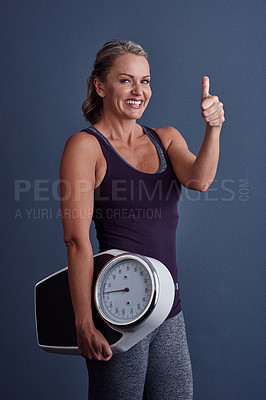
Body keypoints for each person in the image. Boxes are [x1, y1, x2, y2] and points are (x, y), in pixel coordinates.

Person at [59, 40, 225, 400]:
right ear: (100, 86)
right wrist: (84, 322)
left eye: (145, 81)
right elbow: (76, 240)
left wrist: (213, 128)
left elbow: (200, 179)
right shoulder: (85, 147)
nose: (139, 91)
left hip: (169, 310)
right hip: (117, 314)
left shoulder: (165, 139)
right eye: (126, 80)